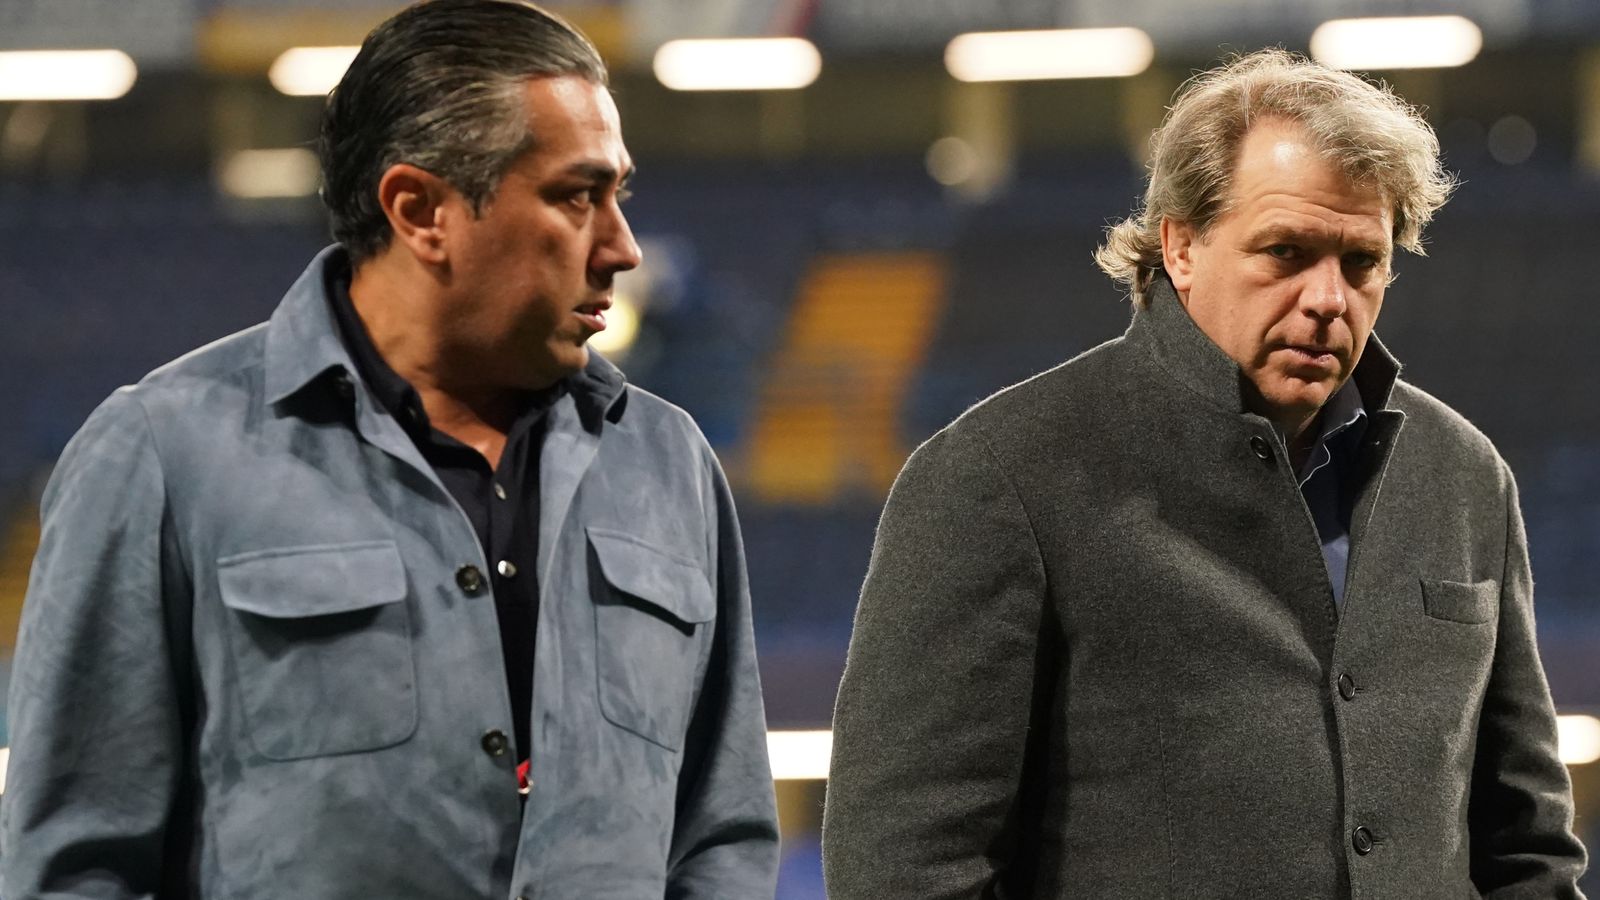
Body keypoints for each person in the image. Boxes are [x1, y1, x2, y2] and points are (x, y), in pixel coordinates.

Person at [0, 1, 779, 896]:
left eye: (619, 196)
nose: (623, 248)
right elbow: (74, 870)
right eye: (576, 196)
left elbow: (721, 839)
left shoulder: (669, 465)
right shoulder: (163, 454)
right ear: (420, 211)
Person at [823, 48, 1588, 899]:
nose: (1331, 299)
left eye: (1362, 261)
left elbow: (1527, 850)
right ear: (1180, 247)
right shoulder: (998, 474)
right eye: (1287, 252)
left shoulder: (1464, 473)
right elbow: (905, 868)